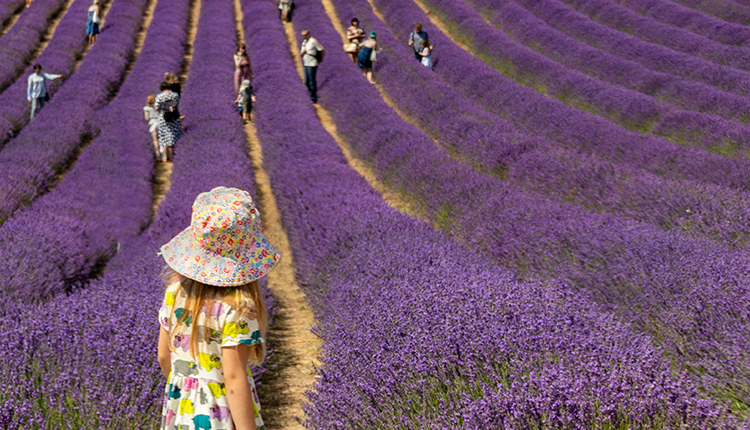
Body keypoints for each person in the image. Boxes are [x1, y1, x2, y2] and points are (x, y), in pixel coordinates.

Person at [157, 186, 279, 430]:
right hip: (220, 415)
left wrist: (185, 387)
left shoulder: (174, 291)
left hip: (181, 412)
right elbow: (233, 379)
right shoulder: (238, 307)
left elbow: (163, 355)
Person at [154, 81, 181, 162]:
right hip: (174, 118)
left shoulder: (159, 96)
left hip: (164, 119)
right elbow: (178, 105)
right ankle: (173, 157)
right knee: (173, 138)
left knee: (164, 139)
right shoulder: (175, 95)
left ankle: (165, 158)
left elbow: (156, 108)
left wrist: (163, 108)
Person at [300, 29, 323, 104]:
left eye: (305, 35)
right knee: (307, 82)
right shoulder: (304, 42)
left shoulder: (313, 41)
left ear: (308, 34)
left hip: (312, 64)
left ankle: (313, 98)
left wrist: (321, 59)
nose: (303, 37)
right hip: (306, 64)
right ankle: (310, 95)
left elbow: (322, 49)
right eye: (302, 35)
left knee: (311, 81)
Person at [143, 94, 161, 159]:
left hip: (153, 124)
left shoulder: (146, 108)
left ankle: (158, 154)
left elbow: (147, 118)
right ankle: (165, 155)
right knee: (162, 139)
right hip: (161, 123)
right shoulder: (159, 107)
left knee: (155, 140)